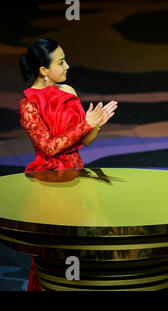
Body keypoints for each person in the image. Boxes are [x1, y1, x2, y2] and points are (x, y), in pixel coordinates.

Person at [18, 38, 118, 290]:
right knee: (50, 246)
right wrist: (86, 123)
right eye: (61, 62)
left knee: (79, 240)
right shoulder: (28, 104)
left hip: (76, 173)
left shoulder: (69, 91)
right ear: (43, 71)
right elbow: (48, 147)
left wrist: (96, 125)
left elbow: (85, 140)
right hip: (50, 180)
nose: (67, 66)